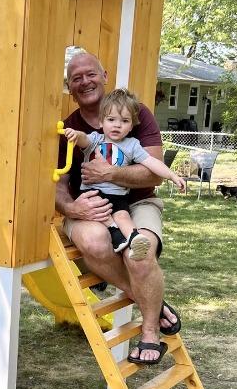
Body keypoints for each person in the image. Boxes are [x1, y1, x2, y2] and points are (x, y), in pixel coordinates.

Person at [55, 51, 182, 366]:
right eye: (76, 78)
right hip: (89, 205)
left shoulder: (136, 113)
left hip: (136, 201)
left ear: (104, 75)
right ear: (69, 87)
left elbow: (152, 171)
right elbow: (57, 185)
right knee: (95, 242)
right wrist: (72, 208)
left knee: (140, 252)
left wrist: (110, 173)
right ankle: (153, 302)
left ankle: (150, 332)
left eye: (90, 73)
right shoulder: (70, 128)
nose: (85, 81)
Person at [64, 88, 185, 259]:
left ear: (131, 126)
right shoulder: (96, 140)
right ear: (101, 122)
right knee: (100, 209)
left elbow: (152, 162)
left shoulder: (132, 145)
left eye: (124, 121)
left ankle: (135, 239)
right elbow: (83, 139)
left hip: (118, 195)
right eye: (111, 119)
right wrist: (75, 134)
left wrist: (172, 175)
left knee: (123, 216)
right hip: (93, 193)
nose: (117, 125)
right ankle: (115, 232)